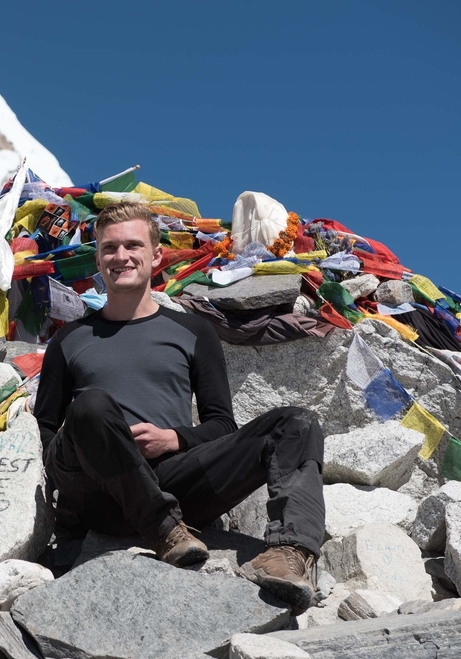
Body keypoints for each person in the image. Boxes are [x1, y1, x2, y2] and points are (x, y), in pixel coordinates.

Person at [33, 202, 327, 611]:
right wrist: (99, 442)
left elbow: (222, 425)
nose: (120, 256)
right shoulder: (69, 340)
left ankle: (288, 554)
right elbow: (45, 433)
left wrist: (173, 439)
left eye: (132, 246)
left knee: (296, 423)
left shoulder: (194, 332)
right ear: (98, 260)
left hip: (174, 485)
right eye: (109, 248)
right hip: (98, 494)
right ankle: (161, 528)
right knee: (92, 406)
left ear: (156, 256)